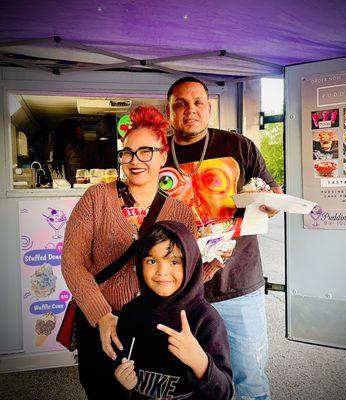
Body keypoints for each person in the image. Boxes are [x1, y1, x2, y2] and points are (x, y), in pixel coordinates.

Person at [61, 105, 198, 400]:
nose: (134, 161)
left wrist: (214, 263)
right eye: (127, 152)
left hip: (156, 325)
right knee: (102, 391)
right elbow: (72, 263)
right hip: (101, 322)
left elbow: (185, 275)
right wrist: (102, 315)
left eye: (145, 151)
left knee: (148, 394)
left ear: (163, 155)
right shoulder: (97, 198)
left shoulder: (181, 213)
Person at [160, 76, 283, 399]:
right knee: (191, 380)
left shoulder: (238, 146)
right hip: (181, 290)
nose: (191, 110)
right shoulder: (156, 155)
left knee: (249, 379)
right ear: (169, 111)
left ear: (209, 108)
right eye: (181, 104)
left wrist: (271, 203)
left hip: (238, 283)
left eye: (198, 102)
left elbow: (272, 194)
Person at [114, 221, 234, 399]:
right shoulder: (130, 313)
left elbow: (224, 394)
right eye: (152, 261)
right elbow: (115, 373)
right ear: (140, 264)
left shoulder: (206, 320)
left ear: (191, 264)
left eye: (174, 261)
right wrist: (123, 384)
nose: (162, 271)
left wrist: (200, 362)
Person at [51, 118, 85, 186]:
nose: (82, 133)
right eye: (79, 131)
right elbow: (77, 170)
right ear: (72, 132)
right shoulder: (73, 148)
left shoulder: (66, 148)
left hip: (72, 184)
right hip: (78, 185)